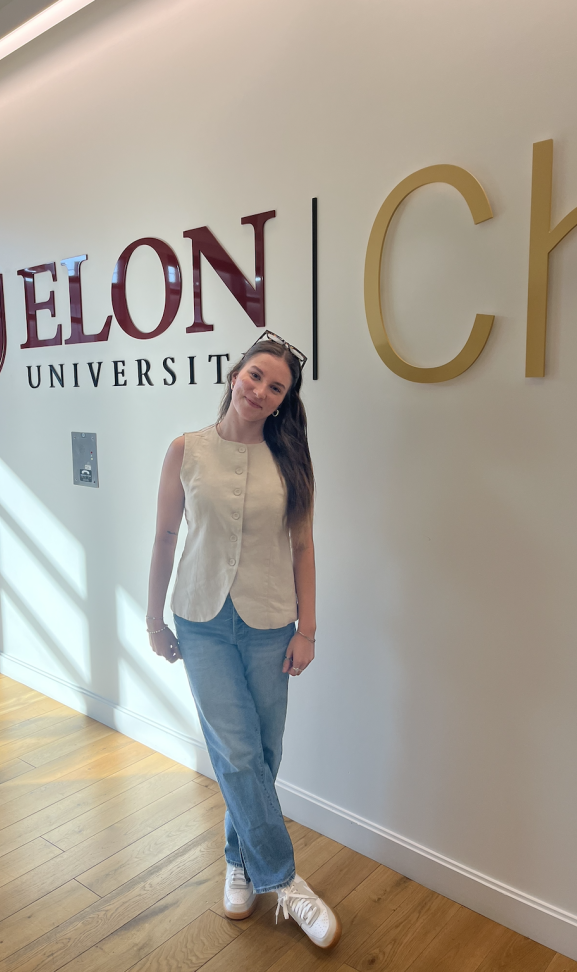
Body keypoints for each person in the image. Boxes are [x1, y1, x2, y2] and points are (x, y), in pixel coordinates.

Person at [146, 331, 341, 949]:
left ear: (284, 401)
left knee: (264, 752)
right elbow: (164, 539)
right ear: (236, 376)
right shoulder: (186, 450)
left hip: (269, 622)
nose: (261, 390)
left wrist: (307, 629)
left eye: (275, 387)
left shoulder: (292, 461)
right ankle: (285, 883)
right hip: (201, 621)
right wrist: (154, 620)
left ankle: (238, 860)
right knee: (235, 752)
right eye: (255, 376)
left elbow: (304, 548)